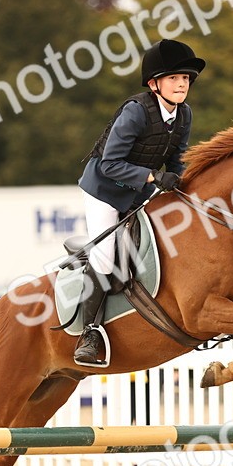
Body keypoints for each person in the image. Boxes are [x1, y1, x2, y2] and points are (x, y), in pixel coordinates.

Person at [73, 38, 205, 367]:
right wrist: (153, 177)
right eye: (174, 78)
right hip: (104, 191)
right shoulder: (136, 112)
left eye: (185, 78)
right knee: (106, 257)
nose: (181, 84)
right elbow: (109, 164)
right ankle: (88, 333)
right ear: (154, 83)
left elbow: (177, 160)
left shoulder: (184, 115)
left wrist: (185, 186)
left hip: (138, 194)